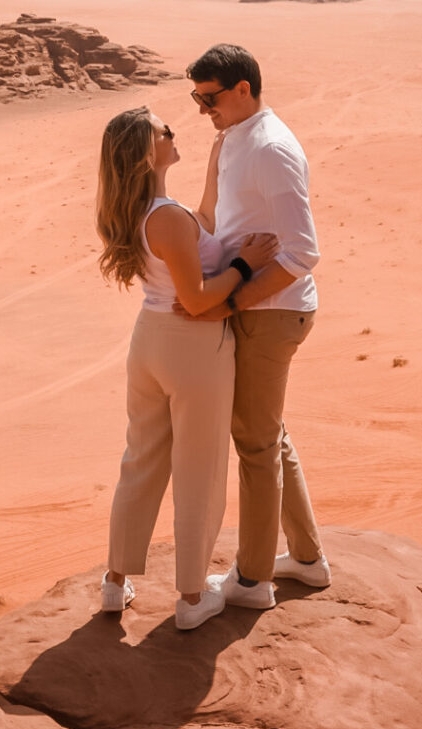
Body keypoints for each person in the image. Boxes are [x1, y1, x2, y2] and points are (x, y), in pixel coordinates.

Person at [96, 106, 276, 629]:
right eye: (163, 131)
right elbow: (197, 300)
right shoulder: (166, 218)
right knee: (200, 468)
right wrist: (247, 265)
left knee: (142, 460)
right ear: (144, 152)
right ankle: (193, 598)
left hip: (148, 343)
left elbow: (203, 226)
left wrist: (215, 164)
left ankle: (114, 583)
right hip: (193, 349)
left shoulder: (144, 211)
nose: (174, 133)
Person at [185, 43, 330, 610]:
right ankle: (308, 559)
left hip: (271, 311)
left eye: (210, 98)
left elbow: (301, 253)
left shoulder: (272, 148)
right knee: (268, 434)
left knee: (255, 443)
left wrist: (233, 301)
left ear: (243, 89)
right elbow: (210, 217)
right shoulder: (232, 139)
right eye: (196, 99)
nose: (202, 110)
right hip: (253, 307)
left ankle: (250, 581)